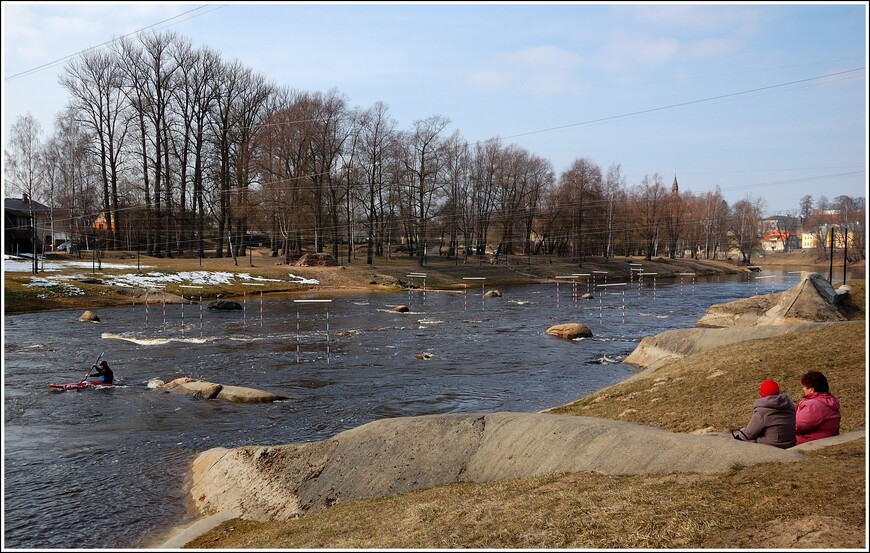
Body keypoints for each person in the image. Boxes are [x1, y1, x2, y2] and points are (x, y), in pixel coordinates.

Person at [732, 379, 796, 449]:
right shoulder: (789, 405)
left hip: (772, 446)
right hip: (790, 443)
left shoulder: (762, 411)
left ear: (761, 394)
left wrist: (741, 432)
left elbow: (749, 434)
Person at [795, 370, 841, 444]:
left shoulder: (813, 406)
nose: (803, 389)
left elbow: (797, 426)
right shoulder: (830, 400)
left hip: (813, 440)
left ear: (812, 390)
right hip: (826, 437)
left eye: (805, 387)